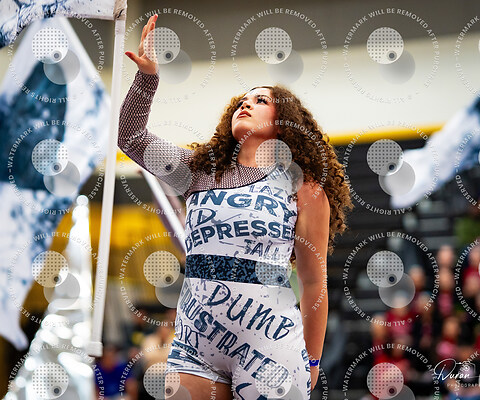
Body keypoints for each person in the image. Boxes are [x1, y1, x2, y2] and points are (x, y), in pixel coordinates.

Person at [120, 14, 352, 400]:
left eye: (261, 101)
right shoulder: (198, 170)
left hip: (270, 343)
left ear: (283, 123)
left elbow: (314, 282)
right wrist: (147, 78)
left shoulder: (304, 188)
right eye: (243, 101)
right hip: (194, 344)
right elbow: (130, 137)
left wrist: (312, 359)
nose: (247, 104)